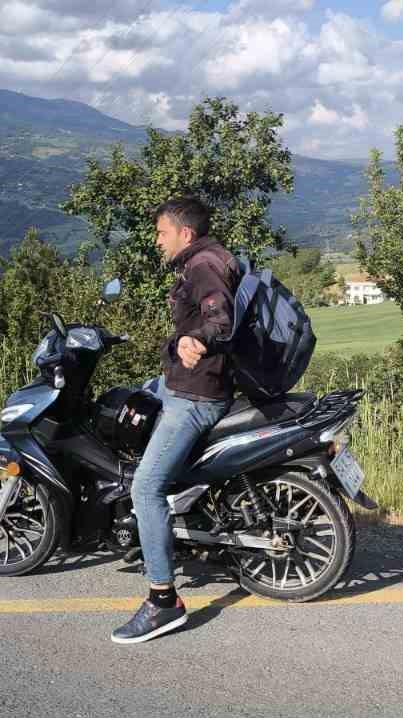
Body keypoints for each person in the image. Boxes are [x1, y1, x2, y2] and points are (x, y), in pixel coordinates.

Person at [111, 195, 242, 645]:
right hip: (182, 384)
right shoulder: (213, 256)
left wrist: (197, 340)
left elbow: (218, 317)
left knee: (145, 488)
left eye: (161, 232)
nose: (157, 240)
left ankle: (163, 601)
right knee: (137, 400)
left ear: (184, 233)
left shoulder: (203, 264)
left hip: (196, 395)